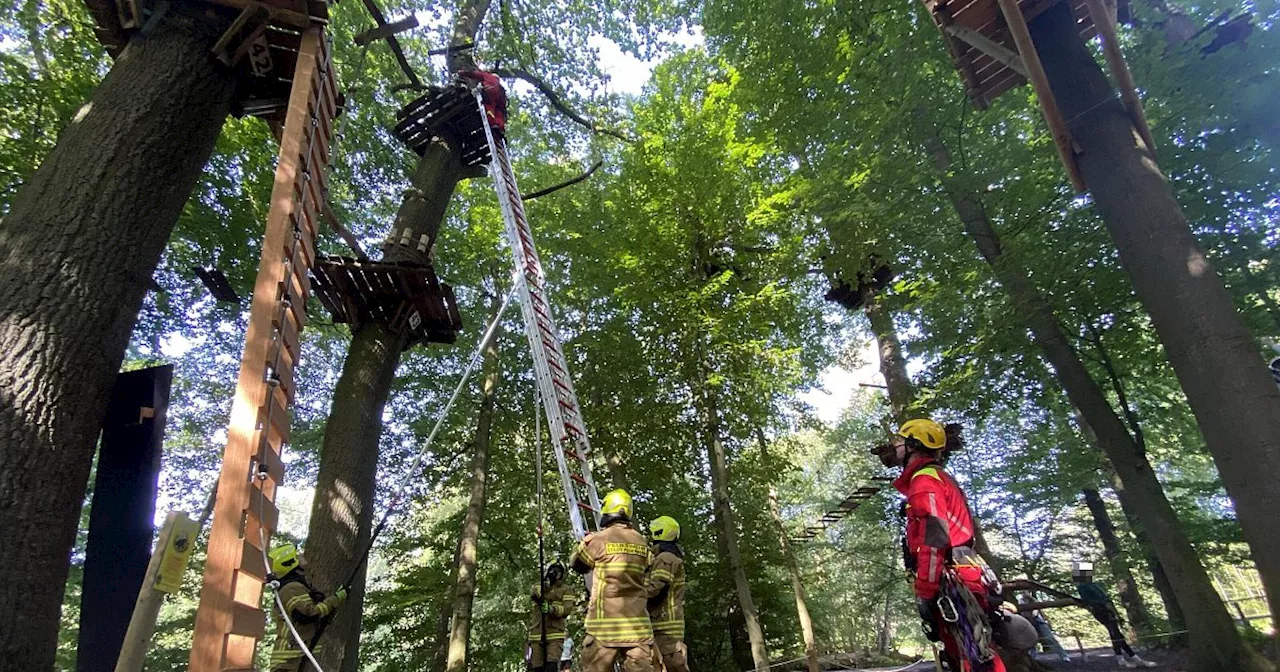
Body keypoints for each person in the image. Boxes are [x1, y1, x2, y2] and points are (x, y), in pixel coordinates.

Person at [874, 419, 1006, 672]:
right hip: (959, 571)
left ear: (913, 446)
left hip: (952, 577)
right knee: (970, 649)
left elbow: (935, 540)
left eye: (900, 442)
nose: (896, 447)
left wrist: (925, 588)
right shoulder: (935, 478)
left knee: (974, 651)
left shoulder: (925, 482)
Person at [571, 489, 654, 672]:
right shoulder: (642, 542)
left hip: (604, 628)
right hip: (637, 627)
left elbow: (578, 565)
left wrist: (585, 543)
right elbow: (648, 568)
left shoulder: (599, 540)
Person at [266, 543, 347, 671]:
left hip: (297, 655)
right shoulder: (291, 589)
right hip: (289, 660)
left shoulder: (296, 586)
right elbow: (307, 615)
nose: (302, 555)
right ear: (290, 562)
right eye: (297, 555)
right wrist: (334, 600)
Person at [1072, 562, 1156, 668]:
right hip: (1100, 610)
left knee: (1117, 635)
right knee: (1115, 634)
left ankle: (1126, 658)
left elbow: (1103, 597)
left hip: (1106, 609)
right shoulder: (1083, 586)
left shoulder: (1092, 584)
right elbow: (1093, 599)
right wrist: (1104, 603)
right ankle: (1129, 659)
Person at [645, 516, 688, 672]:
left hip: (664, 626)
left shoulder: (666, 558)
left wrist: (630, 595)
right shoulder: (664, 556)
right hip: (662, 624)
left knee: (671, 666)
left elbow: (655, 590)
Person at [528, 562, 571, 672]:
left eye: (558, 572)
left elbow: (567, 609)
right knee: (537, 668)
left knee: (551, 667)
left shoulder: (566, 590)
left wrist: (552, 609)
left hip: (555, 634)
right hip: (537, 634)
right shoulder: (540, 586)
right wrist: (547, 584)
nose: (555, 574)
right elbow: (534, 593)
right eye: (553, 571)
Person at [1017, 594, 1072, 663]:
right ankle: (1032, 658)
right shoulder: (1019, 600)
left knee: (1050, 638)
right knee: (1030, 641)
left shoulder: (1032, 599)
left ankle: (1064, 655)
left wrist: (1045, 620)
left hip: (1037, 620)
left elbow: (1039, 610)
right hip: (1028, 621)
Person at [457, 68, 508, 139]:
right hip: (497, 100)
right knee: (498, 113)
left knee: (489, 109)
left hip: (488, 93)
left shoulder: (487, 76)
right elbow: (502, 104)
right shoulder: (501, 88)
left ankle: (493, 124)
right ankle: (500, 128)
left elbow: (475, 74)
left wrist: (462, 73)